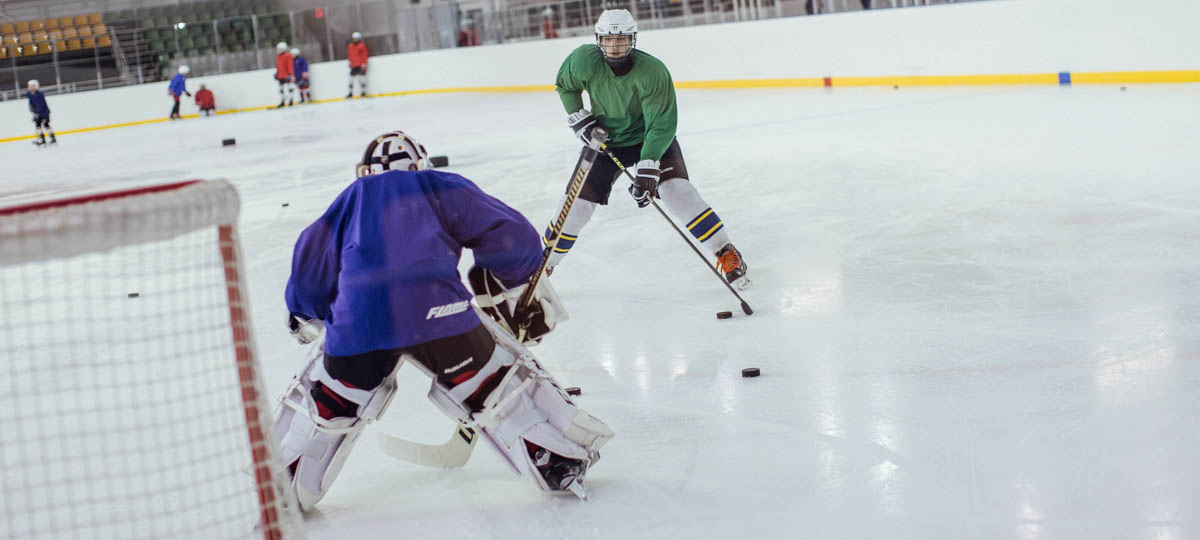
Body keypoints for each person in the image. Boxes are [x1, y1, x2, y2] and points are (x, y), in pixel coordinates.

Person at [274, 131, 611, 510]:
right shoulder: (436, 183)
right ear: (420, 162)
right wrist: (513, 285)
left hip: (361, 321)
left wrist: (305, 310)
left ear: (365, 170)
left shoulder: (351, 198)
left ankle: (287, 480)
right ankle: (553, 459)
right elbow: (508, 233)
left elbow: (310, 258)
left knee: (334, 400)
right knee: (493, 391)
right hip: (438, 313)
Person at [548, 9, 750, 289]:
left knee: (676, 191)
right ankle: (544, 266)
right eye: (608, 40)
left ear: (633, 40)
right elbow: (566, 86)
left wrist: (649, 166)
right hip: (606, 141)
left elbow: (661, 124)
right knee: (574, 207)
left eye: (621, 40)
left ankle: (726, 251)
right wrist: (578, 117)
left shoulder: (653, 71)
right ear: (598, 40)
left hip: (649, 138)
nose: (615, 47)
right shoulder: (583, 60)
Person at [26, 80, 56, 146]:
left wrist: (38, 114)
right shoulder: (29, 94)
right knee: (38, 126)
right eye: (29, 86)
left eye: (32, 86)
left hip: (44, 112)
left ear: (35, 87)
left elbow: (41, 105)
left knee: (46, 124)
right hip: (37, 112)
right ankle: (42, 139)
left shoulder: (39, 94)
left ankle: (52, 138)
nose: (30, 87)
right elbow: (31, 103)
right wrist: (32, 109)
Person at [346, 32, 368, 98]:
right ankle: (350, 93)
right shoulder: (350, 46)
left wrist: (364, 63)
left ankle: (363, 92)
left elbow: (364, 55)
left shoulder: (362, 45)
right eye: (354, 38)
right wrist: (350, 61)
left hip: (360, 65)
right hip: (354, 65)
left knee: (361, 79)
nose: (354, 39)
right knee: (350, 79)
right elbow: (349, 55)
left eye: (356, 38)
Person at [275, 42, 296, 108]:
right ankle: (283, 101)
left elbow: (290, 65)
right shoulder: (278, 56)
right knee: (281, 89)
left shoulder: (288, 55)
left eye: (280, 49)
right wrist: (277, 73)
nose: (278, 50)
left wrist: (290, 74)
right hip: (280, 75)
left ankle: (291, 100)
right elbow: (278, 66)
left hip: (287, 75)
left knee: (289, 88)